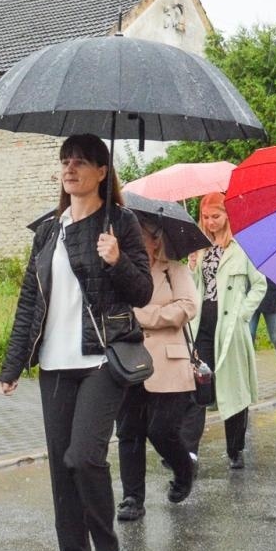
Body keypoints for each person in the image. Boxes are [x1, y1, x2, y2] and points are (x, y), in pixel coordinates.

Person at [0, 135, 152, 551]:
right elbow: (30, 299)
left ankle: (106, 548)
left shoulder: (120, 223)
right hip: (54, 362)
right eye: (65, 161)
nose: (70, 168)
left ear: (102, 172)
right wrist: (11, 365)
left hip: (102, 357)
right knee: (61, 466)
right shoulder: (49, 229)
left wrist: (117, 260)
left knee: (84, 456)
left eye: (81, 162)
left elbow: (142, 291)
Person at [115, 217, 199, 521]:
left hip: (169, 364)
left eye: (141, 237)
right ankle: (132, 498)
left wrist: (144, 315)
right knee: (129, 432)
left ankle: (184, 469)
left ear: (155, 240)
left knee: (162, 430)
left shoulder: (174, 270)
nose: (135, 242)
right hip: (128, 361)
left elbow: (188, 307)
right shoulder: (120, 274)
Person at [192, 192, 267, 471]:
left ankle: (235, 449)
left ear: (227, 216)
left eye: (216, 216)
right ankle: (190, 451)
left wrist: (243, 314)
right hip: (202, 324)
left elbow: (259, 285)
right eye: (206, 217)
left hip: (231, 326)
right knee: (198, 387)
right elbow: (193, 288)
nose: (211, 222)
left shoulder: (241, 247)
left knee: (233, 388)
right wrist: (190, 268)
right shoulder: (197, 247)